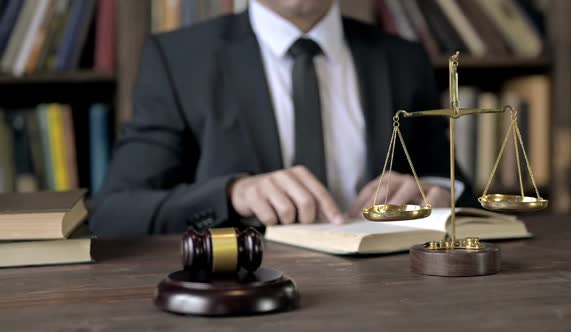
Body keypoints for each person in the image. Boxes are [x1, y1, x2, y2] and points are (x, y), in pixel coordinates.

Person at [90, 0, 472, 238]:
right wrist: (232, 194)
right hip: (240, 295)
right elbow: (113, 213)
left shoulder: (404, 59)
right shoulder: (177, 59)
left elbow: (457, 186)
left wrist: (434, 192)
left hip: (387, 294)